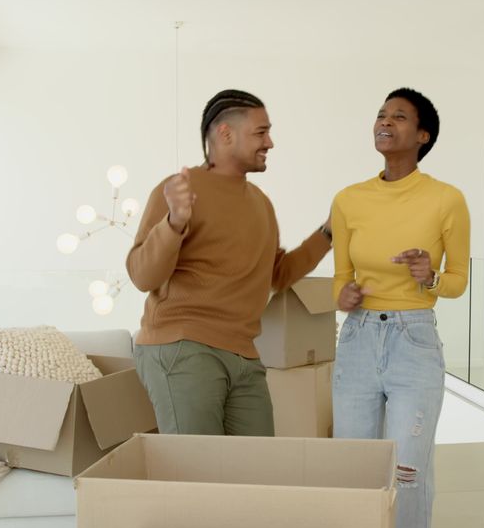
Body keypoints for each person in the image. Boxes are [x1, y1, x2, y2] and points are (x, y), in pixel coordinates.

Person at [126, 89, 332, 436]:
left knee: (254, 471)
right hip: (183, 347)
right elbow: (142, 275)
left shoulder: (260, 203)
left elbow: (277, 275)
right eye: (261, 132)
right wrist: (174, 222)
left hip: (245, 356)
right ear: (225, 134)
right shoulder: (178, 189)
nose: (270, 142)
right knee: (197, 473)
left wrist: (327, 234)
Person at [329, 88, 470, 528]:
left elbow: (457, 281)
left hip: (414, 339)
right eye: (381, 114)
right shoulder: (349, 199)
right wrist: (343, 296)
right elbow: (340, 281)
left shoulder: (447, 199)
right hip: (358, 339)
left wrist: (428, 277)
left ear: (423, 135)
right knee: (355, 469)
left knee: (407, 473)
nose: (385, 122)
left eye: (400, 117)